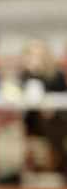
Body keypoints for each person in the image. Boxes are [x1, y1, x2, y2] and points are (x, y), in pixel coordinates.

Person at [19, 38, 67, 181]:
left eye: (39, 55)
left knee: (54, 123)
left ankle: (58, 164)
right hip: (32, 121)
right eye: (31, 55)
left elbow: (61, 98)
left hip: (57, 119)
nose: (35, 58)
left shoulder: (57, 75)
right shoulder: (24, 76)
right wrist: (33, 74)